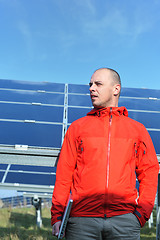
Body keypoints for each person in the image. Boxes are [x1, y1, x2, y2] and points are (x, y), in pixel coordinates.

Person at [51, 68, 159, 240]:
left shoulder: (137, 130)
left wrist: (141, 215)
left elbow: (149, 172)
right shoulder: (77, 128)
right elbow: (64, 174)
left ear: (116, 89)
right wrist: (57, 215)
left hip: (125, 222)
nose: (91, 88)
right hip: (81, 223)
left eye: (98, 84)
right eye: (91, 84)